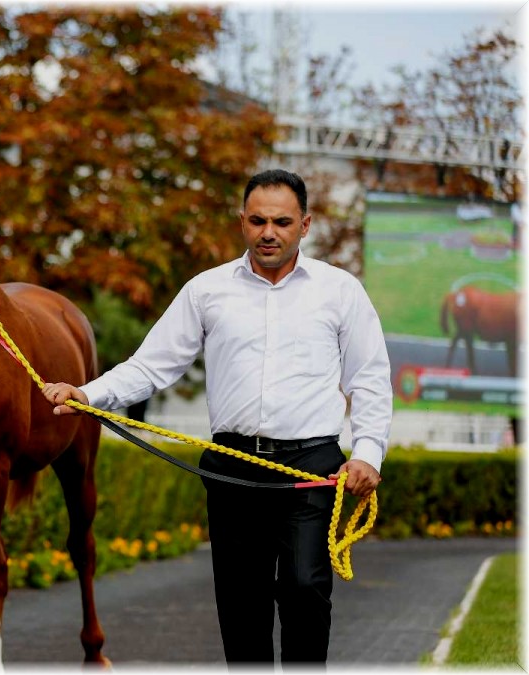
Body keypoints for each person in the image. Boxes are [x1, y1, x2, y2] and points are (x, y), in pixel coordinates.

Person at [44, 169, 392, 666]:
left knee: (304, 587)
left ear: (305, 225)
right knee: (242, 606)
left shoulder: (341, 291)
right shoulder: (206, 290)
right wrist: (87, 393)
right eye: (257, 221)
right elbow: (152, 364)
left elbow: (369, 378)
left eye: (281, 222)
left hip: (311, 469)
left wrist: (368, 454)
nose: (268, 232)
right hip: (232, 468)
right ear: (242, 222)